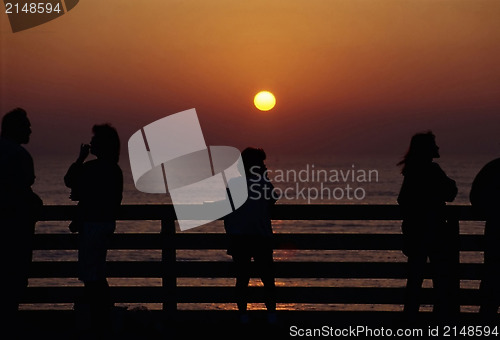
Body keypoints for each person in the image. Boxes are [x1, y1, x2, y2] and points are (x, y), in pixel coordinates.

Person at [64, 124, 123, 335]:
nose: (91, 144)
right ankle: (102, 319)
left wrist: (80, 158)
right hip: (105, 225)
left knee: (92, 276)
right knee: (96, 273)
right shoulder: (114, 170)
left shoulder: (93, 168)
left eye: (95, 141)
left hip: (92, 227)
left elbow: (69, 181)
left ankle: (100, 322)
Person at [396, 131, 459, 321]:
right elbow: (450, 193)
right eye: (434, 145)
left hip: (415, 234)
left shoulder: (411, 171)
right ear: (427, 149)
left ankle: (410, 320)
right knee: (440, 280)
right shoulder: (432, 170)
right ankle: (440, 322)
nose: (438, 148)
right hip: (434, 234)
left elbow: (403, 200)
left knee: (415, 280)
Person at [223, 147, 278, 325]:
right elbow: (272, 199)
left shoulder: (233, 183)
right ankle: (271, 317)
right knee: (268, 279)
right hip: (260, 237)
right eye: (261, 163)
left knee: (242, 279)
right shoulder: (263, 183)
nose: (264, 166)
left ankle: (243, 317)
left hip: (238, 237)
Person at [0, 108, 43, 331]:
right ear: (13, 129)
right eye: (25, 126)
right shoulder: (18, 154)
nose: (30, 130)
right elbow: (22, 189)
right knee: (12, 285)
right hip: (15, 234)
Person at [470, 156, 500, 318]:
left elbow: (475, 199)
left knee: (492, 276)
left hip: (494, 231)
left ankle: (486, 321)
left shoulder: (492, 168)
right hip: (495, 232)